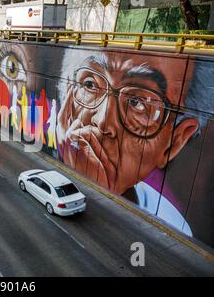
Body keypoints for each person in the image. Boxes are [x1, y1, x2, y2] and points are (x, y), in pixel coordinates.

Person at [55, 49, 214, 235]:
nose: (103, 121)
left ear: (175, 140)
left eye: (138, 103)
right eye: (90, 85)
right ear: (66, 94)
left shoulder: (173, 224)